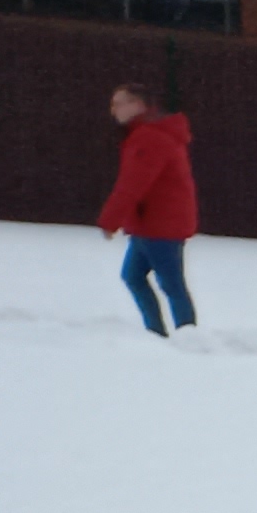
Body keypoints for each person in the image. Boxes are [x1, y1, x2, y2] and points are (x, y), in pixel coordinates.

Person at [96, 81, 198, 339]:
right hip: (149, 223)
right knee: (133, 276)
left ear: (138, 104)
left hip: (161, 224)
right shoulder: (145, 134)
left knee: (170, 283)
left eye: (119, 103)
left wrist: (110, 220)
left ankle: (187, 336)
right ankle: (157, 333)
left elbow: (133, 183)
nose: (114, 110)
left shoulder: (149, 137)